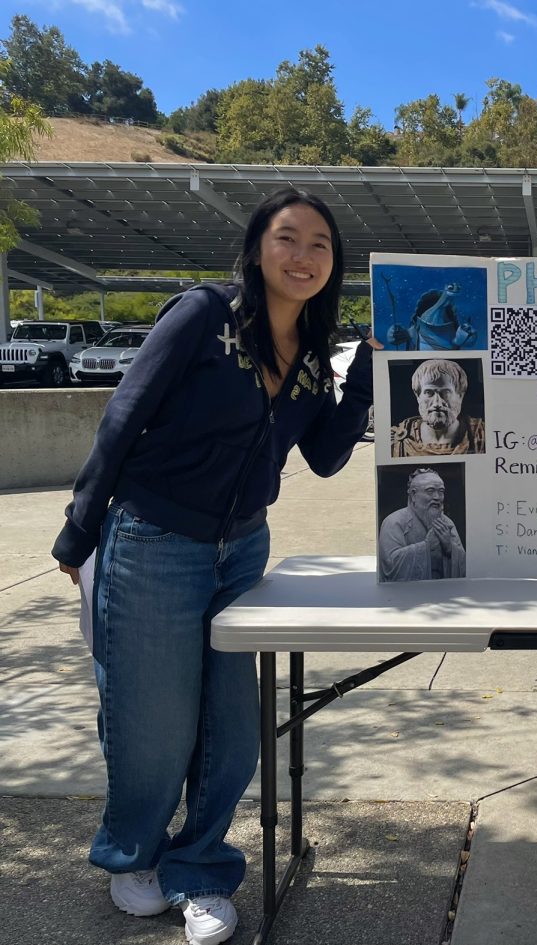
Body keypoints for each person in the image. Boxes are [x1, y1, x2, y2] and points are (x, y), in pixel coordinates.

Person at [50, 187, 377, 945]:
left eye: (320, 245)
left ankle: (199, 868)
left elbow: (327, 457)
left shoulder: (310, 363)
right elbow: (124, 414)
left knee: (232, 729)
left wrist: (362, 380)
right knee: (152, 722)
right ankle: (133, 855)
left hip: (243, 550)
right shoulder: (203, 316)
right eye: (288, 238)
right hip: (153, 540)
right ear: (257, 246)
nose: (303, 256)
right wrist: (79, 532)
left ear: (334, 265)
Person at [378, 467, 466, 581]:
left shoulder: (447, 523)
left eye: (441, 491)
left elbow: (464, 567)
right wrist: (426, 547)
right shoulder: (394, 522)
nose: (437, 497)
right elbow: (390, 566)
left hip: (442, 591)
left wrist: (449, 547)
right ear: (414, 495)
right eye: (430, 491)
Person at [391, 358, 486, 457]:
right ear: (418, 396)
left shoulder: (482, 435)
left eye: (445, 393)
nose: (437, 403)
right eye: (429, 393)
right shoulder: (397, 441)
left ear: (460, 395)